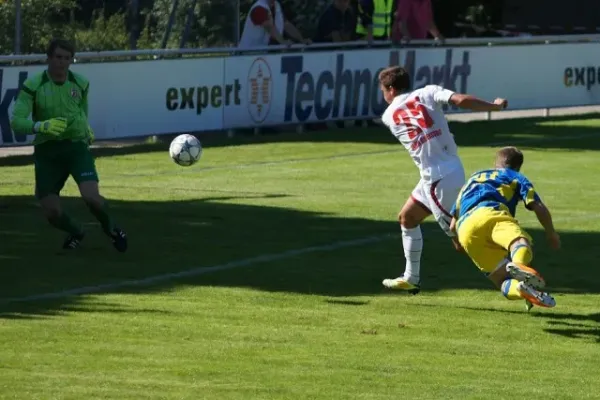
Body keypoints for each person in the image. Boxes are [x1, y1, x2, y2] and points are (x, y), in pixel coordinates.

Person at [378, 65, 507, 293]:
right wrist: (493, 106)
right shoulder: (428, 92)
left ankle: (513, 270)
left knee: (463, 241)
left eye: (382, 90)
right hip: (444, 171)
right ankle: (411, 277)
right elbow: (460, 100)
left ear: (389, 89)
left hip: (437, 180)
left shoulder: (388, 116)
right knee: (407, 217)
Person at [10, 38, 127, 252]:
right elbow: (17, 121)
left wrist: (86, 128)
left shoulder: (81, 83)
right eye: (58, 57)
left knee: (93, 199)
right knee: (52, 212)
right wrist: (41, 126)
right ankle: (77, 231)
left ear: (71, 60)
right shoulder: (33, 86)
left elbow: (81, 110)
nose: (62, 62)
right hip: (47, 152)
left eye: (66, 58)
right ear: (48, 58)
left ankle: (111, 228)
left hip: (75, 148)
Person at [449, 147, 560, 310]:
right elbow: (538, 206)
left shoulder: (473, 179)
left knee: (502, 280)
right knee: (520, 242)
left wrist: (457, 242)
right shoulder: (515, 176)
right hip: (490, 213)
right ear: (517, 167)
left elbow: (452, 224)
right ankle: (518, 265)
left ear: (496, 163)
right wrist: (551, 233)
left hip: (465, 229)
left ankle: (521, 290)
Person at [239, 0, 312, 49]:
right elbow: (269, 27)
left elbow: (286, 25)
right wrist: (283, 41)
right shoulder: (258, 7)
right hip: (247, 53)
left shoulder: (276, 5)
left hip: (261, 53)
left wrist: (302, 40)